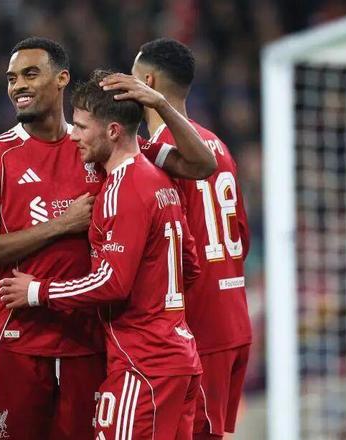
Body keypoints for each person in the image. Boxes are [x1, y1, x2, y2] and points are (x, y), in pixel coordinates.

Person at [0, 37, 215, 440]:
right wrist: (60, 225)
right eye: (11, 78)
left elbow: (201, 164)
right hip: (19, 339)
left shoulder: (100, 145)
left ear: (61, 79)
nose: (18, 85)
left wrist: (161, 105)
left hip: (90, 343)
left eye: (30, 74)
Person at [103, 38, 253, 440]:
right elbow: (241, 236)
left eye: (132, 77)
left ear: (148, 83)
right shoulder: (217, 144)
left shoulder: (161, 153)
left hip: (199, 323)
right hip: (234, 317)